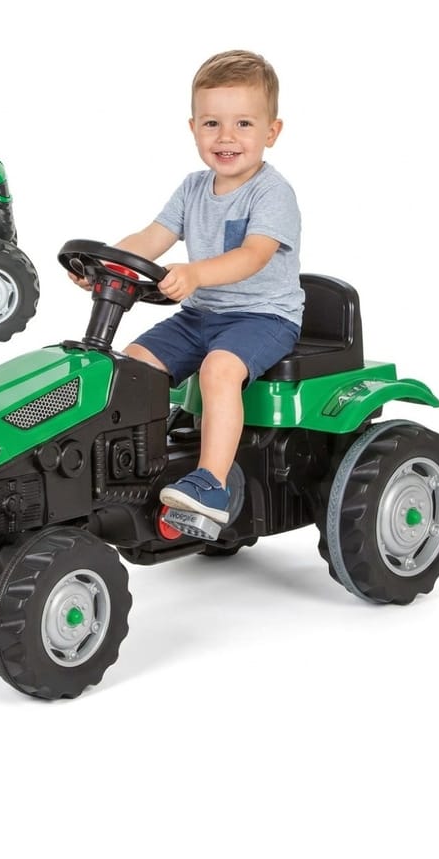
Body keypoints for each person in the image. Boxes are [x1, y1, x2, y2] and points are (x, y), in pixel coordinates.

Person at [72, 50, 304, 528]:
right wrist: (103, 264)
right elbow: (150, 238)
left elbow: (253, 255)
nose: (226, 137)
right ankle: (138, 464)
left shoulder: (271, 192)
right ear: (193, 127)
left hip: (264, 317)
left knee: (219, 370)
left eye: (243, 123)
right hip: (200, 316)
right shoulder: (193, 188)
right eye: (212, 123)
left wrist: (195, 274)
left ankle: (211, 484)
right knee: (132, 366)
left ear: (271, 132)